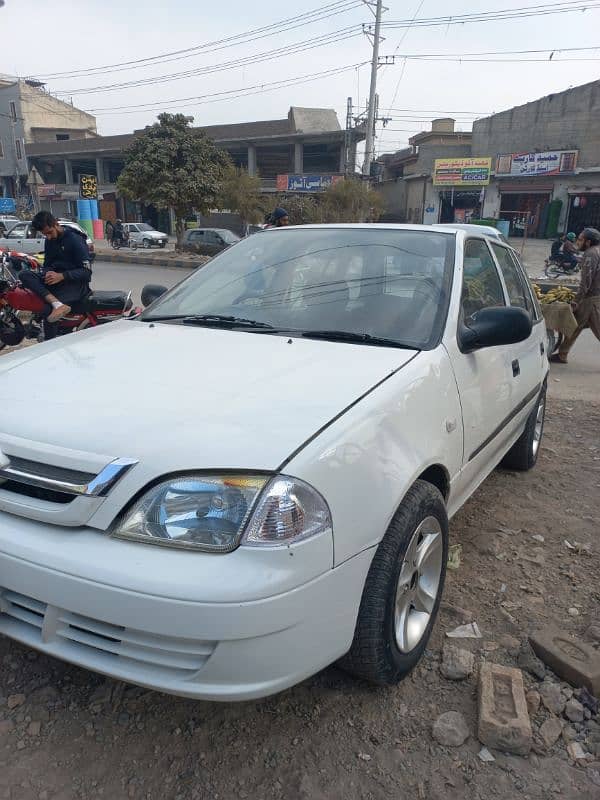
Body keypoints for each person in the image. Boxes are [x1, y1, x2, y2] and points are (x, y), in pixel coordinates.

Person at [20, 211, 92, 337]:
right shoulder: (49, 241)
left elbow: (86, 272)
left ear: (56, 224)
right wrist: (47, 273)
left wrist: (62, 276)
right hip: (55, 281)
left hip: (74, 285)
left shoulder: (74, 240)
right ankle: (57, 304)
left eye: (49, 232)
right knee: (24, 275)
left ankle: (50, 343)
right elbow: (48, 263)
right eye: (44, 234)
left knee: (47, 309)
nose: (48, 237)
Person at [551, 227, 600, 364]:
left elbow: (586, 281)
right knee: (575, 325)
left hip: (591, 298)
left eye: (580, 239)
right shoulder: (597, 251)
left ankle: (562, 354)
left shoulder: (590, 254)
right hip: (594, 296)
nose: (578, 242)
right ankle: (562, 354)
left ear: (588, 242)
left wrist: (576, 300)